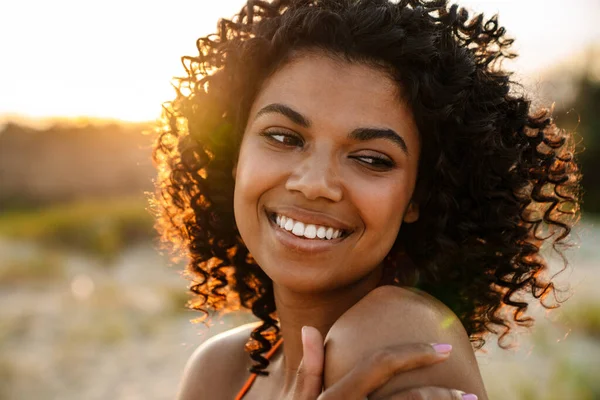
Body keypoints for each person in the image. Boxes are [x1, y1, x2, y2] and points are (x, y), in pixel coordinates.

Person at [151, 0, 581, 398]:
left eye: (372, 159)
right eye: (283, 137)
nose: (314, 183)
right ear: (235, 156)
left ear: (417, 196)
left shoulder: (395, 331)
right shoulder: (220, 369)